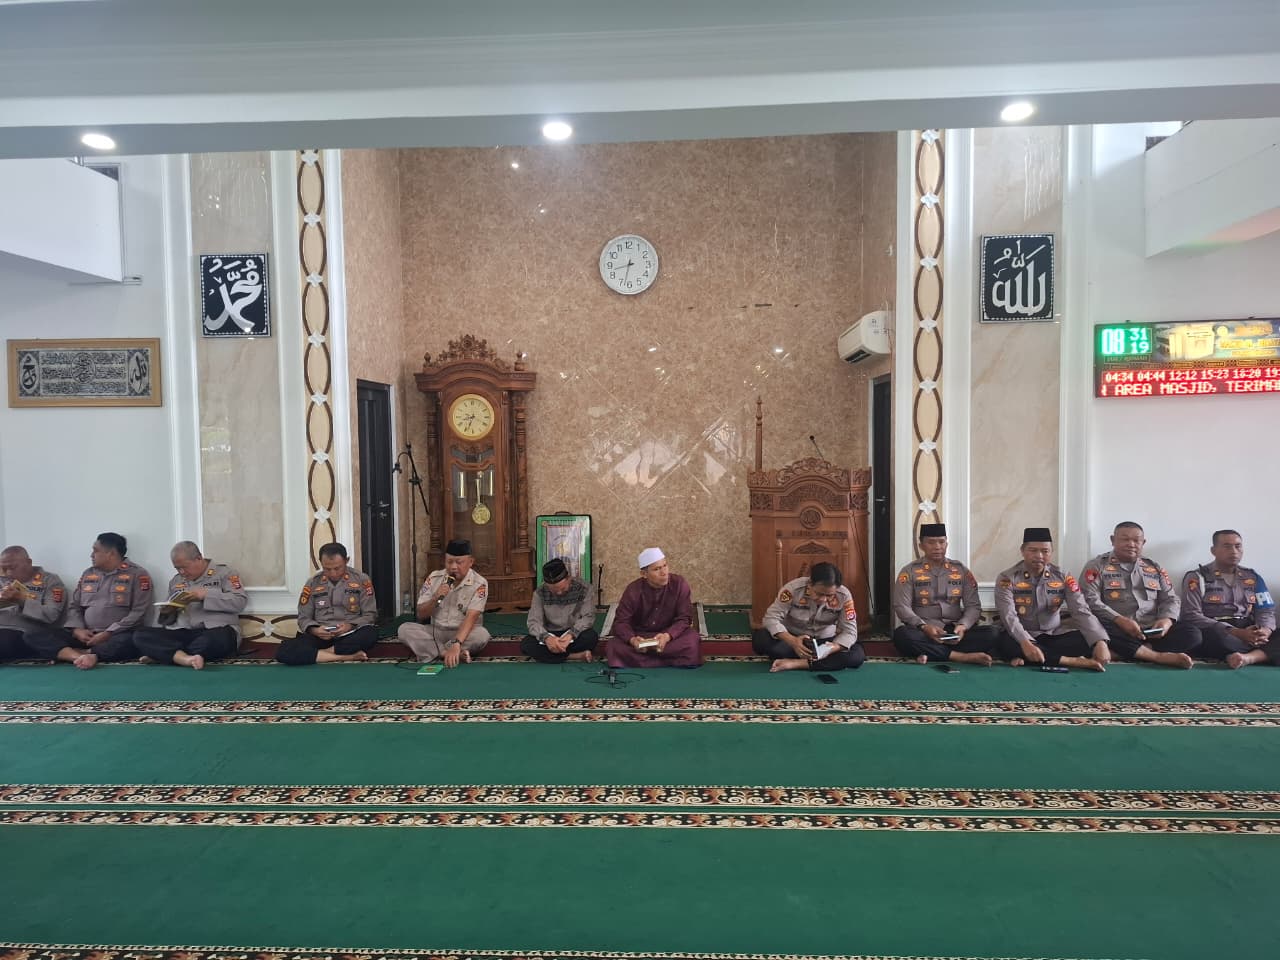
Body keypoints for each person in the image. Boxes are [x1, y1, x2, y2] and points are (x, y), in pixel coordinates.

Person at [1080, 521, 1199, 669]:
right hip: (1116, 628)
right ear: (1112, 540)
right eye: (1125, 539)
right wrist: (1119, 619)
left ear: (1143, 543)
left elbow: (1171, 598)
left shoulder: (1153, 567)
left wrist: (1166, 620)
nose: (1131, 544)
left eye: (1136, 540)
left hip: (1150, 630)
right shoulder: (1097, 566)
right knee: (1091, 630)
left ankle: (1130, 652)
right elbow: (1089, 599)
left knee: (1192, 634)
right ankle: (1155, 656)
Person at [24, 532, 152, 670]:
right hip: (85, 636)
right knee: (33, 634)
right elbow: (74, 606)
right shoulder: (88, 574)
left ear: (111, 553)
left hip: (115, 635)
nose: (91, 555)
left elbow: (138, 612)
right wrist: (77, 629)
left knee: (133, 640)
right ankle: (78, 656)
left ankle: (79, 654)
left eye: (95, 551)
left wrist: (108, 633)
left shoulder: (138, 574)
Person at [994, 527, 1110, 671]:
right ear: (1022, 551)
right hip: (1022, 635)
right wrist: (1025, 642)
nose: (1039, 556)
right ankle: (1071, 661)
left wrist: (1100, 641)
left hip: (1053, 635)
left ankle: (1032, 658)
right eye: (1033, 550)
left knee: (1090, 637)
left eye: (1045, 551)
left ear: (1051, 552)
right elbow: (1008, 616)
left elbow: (1080, 610)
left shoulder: (1062, 576)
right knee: (1004, 642)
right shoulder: (1007, 578)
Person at [891, 523, 996, 666]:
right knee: (902, 635)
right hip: (924, 631)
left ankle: (929, 653)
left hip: (954, 631)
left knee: (992, 633)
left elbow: (973, 606)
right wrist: (923, 626)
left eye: (941, 542)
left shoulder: (961, 570)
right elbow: (901, 606)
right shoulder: (909, 571)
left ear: (947, 544)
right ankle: (959, 656)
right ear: (921, 546)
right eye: (931, 542)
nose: (937, 547)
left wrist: (963, 626)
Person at [132, 541, 249, 670]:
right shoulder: (176, 581)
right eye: (177, 568)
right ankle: (184, 658)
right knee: (140, 635)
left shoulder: (225, 573)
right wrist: (167, 611)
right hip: (184, 632)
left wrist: (206, 595)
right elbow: (166, 621)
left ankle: (167, 654)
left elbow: (239, 602)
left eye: (185, 567)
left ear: (199, 558)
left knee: (213, 640)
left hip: (216, 630)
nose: (182, 572)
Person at [1180, 529, 1275, 669]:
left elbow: (1265, 610)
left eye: (1238, 546)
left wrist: (1265, 631)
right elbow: (1190, 615)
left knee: (1274, 634)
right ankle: (1260, 654)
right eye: (1227, 546)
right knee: (1203, 638)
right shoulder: (1197, 577)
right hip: (1218, 630)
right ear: (1213, 551)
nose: (1234, 551)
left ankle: (1247, 658)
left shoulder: (1253, 577)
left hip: (1248, 628)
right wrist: (1235, 632)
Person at [276, 542, 378, 665]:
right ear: (321, 563)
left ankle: (320, 654)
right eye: (327, 569)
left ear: (346, 561)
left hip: (349, 634)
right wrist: (315, 630)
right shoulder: (313, 583)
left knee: (370, 634)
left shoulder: (361, 579)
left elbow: (370, 615)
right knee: (284, 650)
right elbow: (303, 617)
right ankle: (346, 657)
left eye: (337, 568)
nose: (333, 573)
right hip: (321, 636)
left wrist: (350, 626)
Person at [753, 561, 863, 673]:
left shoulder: (844, 596)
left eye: (829, 595)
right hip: (793, 639)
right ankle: (821, 662)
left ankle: (798, 663)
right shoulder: (792, 589)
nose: (823, 599)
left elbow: (850, 631)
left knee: (857, 655)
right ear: (810, 584)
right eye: (819, 594)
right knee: (761, 638)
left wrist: (832, 648)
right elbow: (771, 618)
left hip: (824, 643)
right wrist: (793, 641)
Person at [397, 539, 491, 667]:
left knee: (482, 635)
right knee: (404, 629)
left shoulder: (479, 583)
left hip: (464, 633)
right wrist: (435, 598)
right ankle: (446, 653)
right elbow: (421, 614)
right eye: (449, 562)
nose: (453, 567)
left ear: (470, 562)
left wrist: (456, 642)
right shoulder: (434, 578)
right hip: (436, 631)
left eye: (459, 562)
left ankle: (436, 651)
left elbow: (471, 617)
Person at [606, 547, 701, 668]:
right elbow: (621, 622)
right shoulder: (633, 590)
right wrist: (633, 640)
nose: (664, 572)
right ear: (644, 574)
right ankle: (667, 661)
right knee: (613, 646)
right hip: (641, 637)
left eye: (665, 566)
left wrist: (667, 636)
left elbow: (684, 618)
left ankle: (643, 661)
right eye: (657, 569)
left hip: (669, 637)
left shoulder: (679, 584)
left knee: (692, 640)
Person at [521, 557, 598, 663]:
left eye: (562, 589)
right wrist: (547, 638)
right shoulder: (539, 593)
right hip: (551, 634)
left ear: (569, 578)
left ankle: (555, 655)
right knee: (527, 644)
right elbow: (533, 622)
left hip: (573, 633)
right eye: (554, 590)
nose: (559, 593)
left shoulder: (584, 589)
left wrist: (571, 635)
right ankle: (573, 656)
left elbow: (588, 617)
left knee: (591, 637)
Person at [0, 545, 68, 662]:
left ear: (29, 562)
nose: (8, 573)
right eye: (3, 569)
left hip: (25, 634)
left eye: (12, 567)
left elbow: (52, 615)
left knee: (6, 639)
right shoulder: (2, 580)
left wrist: (21, 600)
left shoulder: (50, 581)